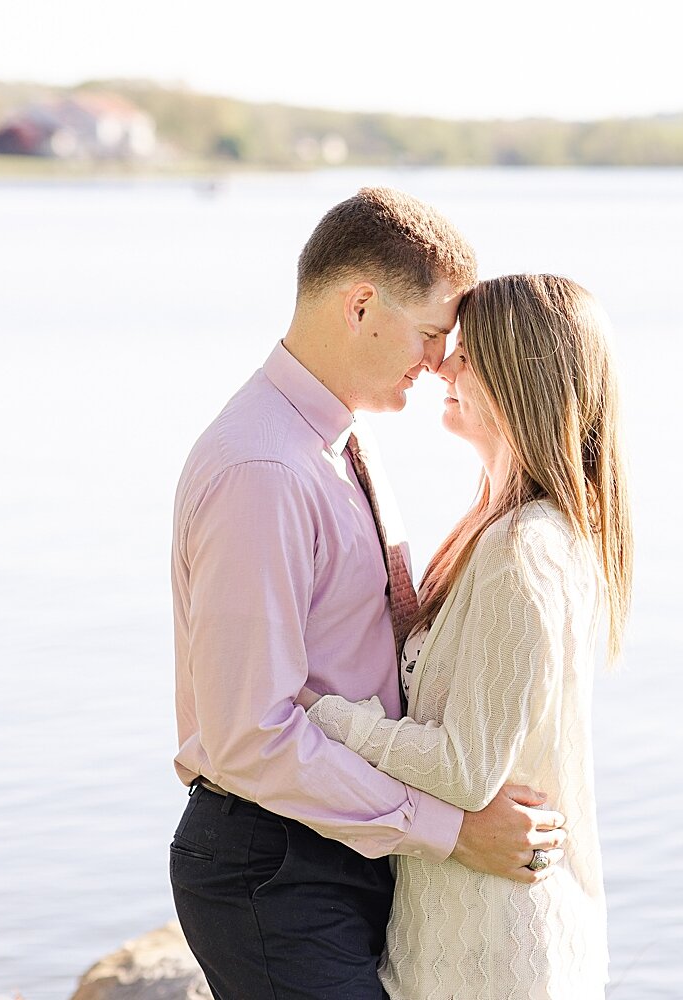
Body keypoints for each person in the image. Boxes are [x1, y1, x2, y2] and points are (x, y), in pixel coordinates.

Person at [168, 189, 569, 1000]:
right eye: (430, 333)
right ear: (360, 305)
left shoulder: (341, 441)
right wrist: (452, 833)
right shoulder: (265, 472)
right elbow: (250, 738)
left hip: (334, 842)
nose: (438, 362)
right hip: (274, 860)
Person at [299, 273, 633, 999]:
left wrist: (320, 714)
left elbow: (464, 769)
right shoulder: (508, 530)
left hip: (498, 953)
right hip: (472, 935)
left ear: (522, 377)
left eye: (470, 356)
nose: (443, 366)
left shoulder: (525, 550)